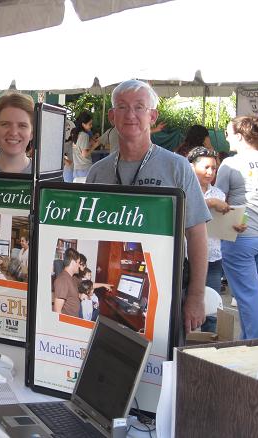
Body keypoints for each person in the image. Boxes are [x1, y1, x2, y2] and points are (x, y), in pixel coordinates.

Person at [86, 79, 210, 334]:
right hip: (115, 286)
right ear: (112, 116)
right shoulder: (98, 172)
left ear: (152, 116)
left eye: (139, 107)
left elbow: (196, 234)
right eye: (122, 107)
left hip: (169, 292)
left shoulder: (177, 168)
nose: (131, 114)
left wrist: (196, 296)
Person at [215, 116, 258, 339]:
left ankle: (256, 346)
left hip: (240, 234)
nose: (226, 136)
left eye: (228, 132)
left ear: (240, 136)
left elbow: (217, 198)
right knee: (249, 293)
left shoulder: (230, 163)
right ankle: (246, 341)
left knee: (247, 296)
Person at [186, 146, 243, 332]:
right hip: (185, 258)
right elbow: (181, 214)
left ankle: (208, 347)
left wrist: (234, 225)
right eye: (206, 167)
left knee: (212, 307)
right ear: (191, 167)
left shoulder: (218, 193)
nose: (210, 172)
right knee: (183, 305)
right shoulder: (182, 191)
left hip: (213, 257)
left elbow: (221, 225)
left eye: (214, 168)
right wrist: (209, 203)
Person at [53, 248, 86, 317]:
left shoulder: (72, 277)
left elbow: (85, 284)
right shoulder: (63, 280)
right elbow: (57, 312)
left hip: (75, 318)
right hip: (68, 323)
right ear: (73, 262)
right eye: (78, 262)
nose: (79, 266)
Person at [72, 111, 96, 181]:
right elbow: (84, 154)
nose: (91, 126)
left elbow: (80, 148)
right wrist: (94, 146)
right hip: (85, 169)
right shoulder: (84, 135)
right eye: (90, 124)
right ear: (83, 124)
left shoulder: (76, 134)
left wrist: (91, 142)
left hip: (76, 169)